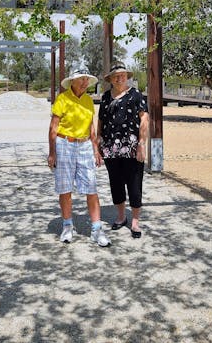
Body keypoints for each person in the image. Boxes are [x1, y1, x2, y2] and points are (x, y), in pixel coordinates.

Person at [48, 68, 111, 247]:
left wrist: (96, 150)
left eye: (86, 80)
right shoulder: (62, 99)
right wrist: (52, 152)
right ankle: (67, 225)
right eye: (81, 79)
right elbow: (53, 128)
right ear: (72, 82)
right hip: (64, 144)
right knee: (65, 187)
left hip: (84, 145)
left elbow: (91, 128)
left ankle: (97, 229)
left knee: (91, 187)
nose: (84, 83)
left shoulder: (89, 101)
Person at [98, 61, 149, 238]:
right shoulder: (105, 98)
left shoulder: (136, 95)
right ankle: (121, 217)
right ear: (110, 79)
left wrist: (142, 145)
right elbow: (101, 122)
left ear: (127, 77)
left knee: (134, 184)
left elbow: (144, 120)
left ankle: (135, 221)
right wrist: (98, 144)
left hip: (132, 148)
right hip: (111, 148)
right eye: (116, 76)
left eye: (122, 75)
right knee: (116, 183)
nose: (120, 78)